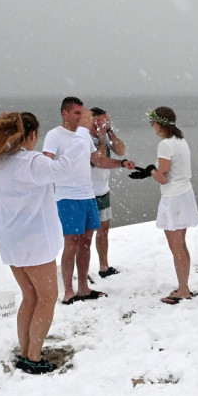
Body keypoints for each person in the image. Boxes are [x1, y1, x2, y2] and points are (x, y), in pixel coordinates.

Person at [0, 112, 78, 374]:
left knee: (30, 296)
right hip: (35, 241)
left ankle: (25, 352)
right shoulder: (31, 163)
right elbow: (66, 167)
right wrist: (78, 135)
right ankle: (33, 357)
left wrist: (0, 130)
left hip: (10, 238)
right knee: (47, 297)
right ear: (31, 136)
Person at [44, 97, 134, 304]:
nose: (80, 116)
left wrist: (121, 163)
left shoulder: (83, 136)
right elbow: (45, 163)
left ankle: (84, 287)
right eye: (76, 112)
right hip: (68, 197)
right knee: (71, 243)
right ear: (64, 114)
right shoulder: (54, 135)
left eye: (81, 113)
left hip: (88, 195)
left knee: (86, 242)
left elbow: (99, 160)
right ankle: (68, 291)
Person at [129, 107, 198, 304]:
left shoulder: (165, 145)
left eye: (152, 122)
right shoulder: (181, 141)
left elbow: (162, 177)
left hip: (173, 198)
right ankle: (184, 285)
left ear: (160, 123)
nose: (152, 126)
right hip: (185, 194)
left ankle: (183, 289)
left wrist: (151, 170)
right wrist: (150, 171)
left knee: (176, 247)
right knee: (182, 245)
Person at [89, 107, 127, 279]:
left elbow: (121, 150)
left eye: (106, 120)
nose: (104, 124)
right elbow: (99, 160)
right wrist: (102, 139)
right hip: (87, 193)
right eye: (100, 121)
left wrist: (109, 132)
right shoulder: (86, 139)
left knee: (104, 230)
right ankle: (82, 272)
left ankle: (104, 267)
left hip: (103, 191)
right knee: (84, 235)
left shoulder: (105, 136)